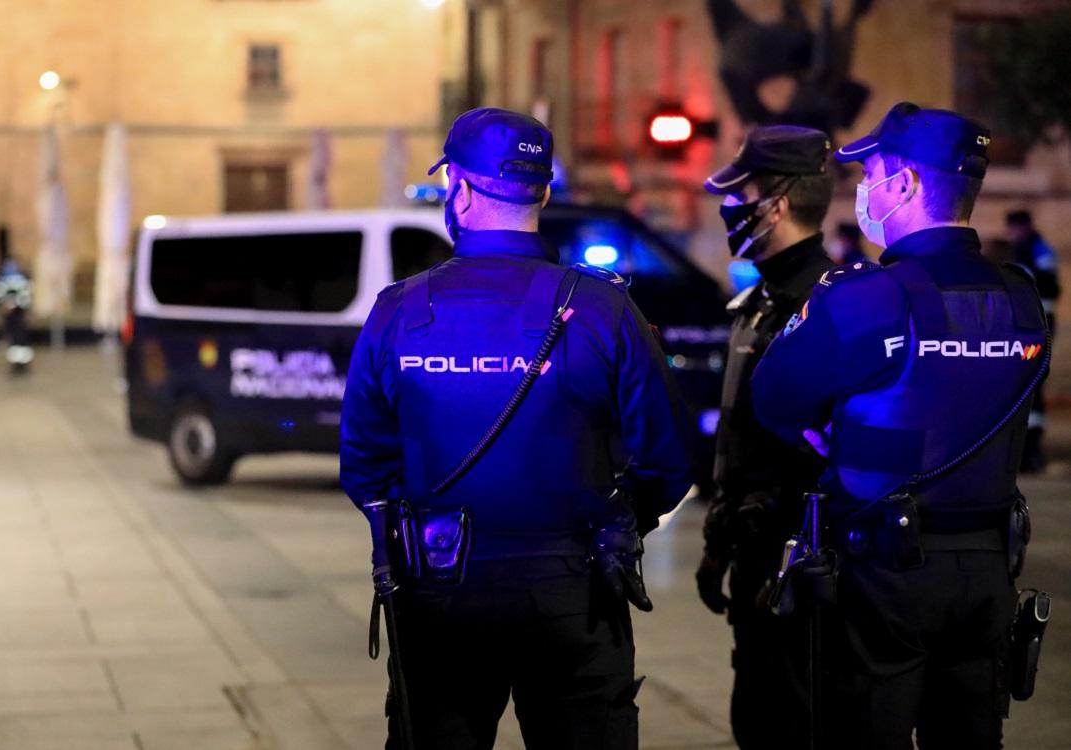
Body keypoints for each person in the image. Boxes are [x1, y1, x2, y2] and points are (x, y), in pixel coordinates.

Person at [339, 107, 693, 750]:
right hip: (573, 589)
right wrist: (611, 523)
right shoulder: (602, 308)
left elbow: (363, 465)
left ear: (462, 192)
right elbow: (667, 462)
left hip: (438, 590)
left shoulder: (398, 310)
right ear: (544, 191)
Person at [751, 102, 1047, 749]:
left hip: (883, 575)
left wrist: (828, 435)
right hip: (988, 571)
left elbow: (772, 397)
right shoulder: (1022, 297)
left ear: (906, 185)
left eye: (872, 176)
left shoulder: (866, 297)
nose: (862, 192)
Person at [697, 125, 836, 749]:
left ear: (776, 204)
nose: (729, 208)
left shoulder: (831, 306)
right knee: (755, 720)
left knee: (794, 724)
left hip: (799, 562)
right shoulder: (761, 300)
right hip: (754, 553)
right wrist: (722, 538)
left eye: (741, 194)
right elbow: (743, 439)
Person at [1006, 209, 1060, 471]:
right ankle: (1025, 451)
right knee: (1025, 383)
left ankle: (1032, 451)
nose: (1013, 233)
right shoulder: (1021, 250)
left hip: (1040, 322)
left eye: (1016, 228)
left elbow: (1050, 285)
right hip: (1027, 322)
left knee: (1034, 383)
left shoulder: (1039, 249)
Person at [0, 258, 35, 375]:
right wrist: (3, 305)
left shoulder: (22, 281)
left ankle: (23, 364)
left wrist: (14, 304)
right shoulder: (3, 281)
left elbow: (26, 296)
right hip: (8, 315)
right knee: (12, 339)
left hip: (18, 313)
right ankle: (14, 364)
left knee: (21, 338)